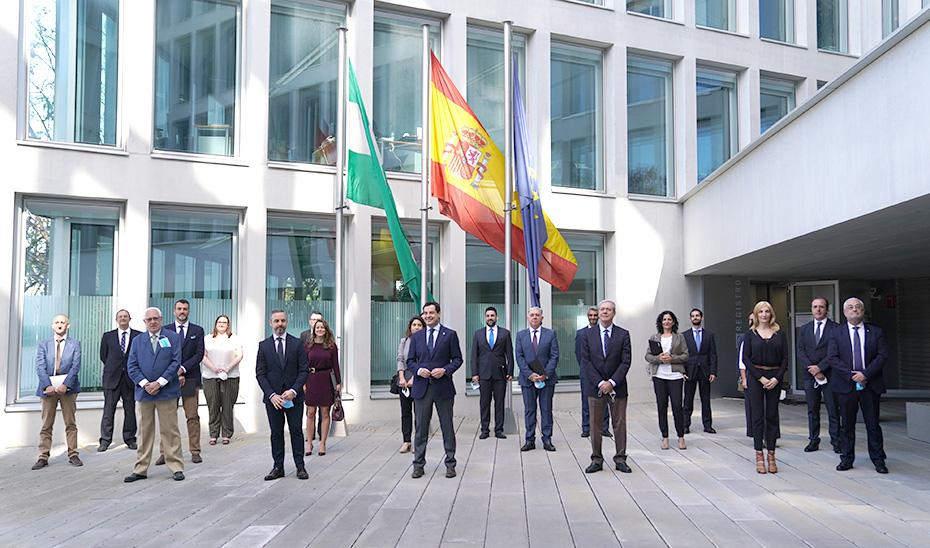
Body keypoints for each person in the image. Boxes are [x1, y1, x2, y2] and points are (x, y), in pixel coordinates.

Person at [826, 297, 889, 474]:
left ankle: (878, 460)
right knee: (847, 424)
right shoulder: (836, 332)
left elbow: (882, 356)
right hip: (846, 385)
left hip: (870, 384)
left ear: (863, 311)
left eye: (858, 307)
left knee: (873, 424)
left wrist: (865, 374)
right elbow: (832, 357)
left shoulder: (875, 332)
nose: (855, 310)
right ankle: (846, 459)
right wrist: (852, 375)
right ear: (845, 312)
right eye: (851, 308)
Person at [124, 307, 184, 482]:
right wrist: (145, 384)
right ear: (144, 322)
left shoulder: (172, 337)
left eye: (155, 318)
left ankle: (176, 467)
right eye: (149, 319)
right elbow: (131, 366)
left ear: (161, 319)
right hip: (144, 394)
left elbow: (175, 362)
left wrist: (160, 382)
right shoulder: (137, 341)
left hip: (167, 392)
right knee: (144, 433)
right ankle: (141, 469)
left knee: (170, 431)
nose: (152, 322)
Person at [406, 301, 463, 479]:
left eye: (431, 313)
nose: (428, 316)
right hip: (422, 387)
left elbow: (457, 359)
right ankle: (418, 464)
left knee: (447, 426)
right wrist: (418, 370)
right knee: (421, 428)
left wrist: (445, 370)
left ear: (439, 314)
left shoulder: (450, 335)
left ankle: (450, 463)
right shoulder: (417, 336)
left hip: (443, 387)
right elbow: (410, 361)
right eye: (425, 313)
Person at [256, 309, 310, 480]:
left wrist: (294, 390)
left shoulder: (297, 344)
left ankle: (300, 467)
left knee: (296, 430)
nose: (280, 324)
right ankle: (278, 467)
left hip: (294, 397)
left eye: (283, 321)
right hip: (274, 399)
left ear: (287, 322)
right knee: (276, 433)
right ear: (270, 323)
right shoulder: (263, 346)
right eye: (276, 321)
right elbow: (260, 374)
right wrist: (272, 395)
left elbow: (304, 370)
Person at [579, 300, 632, 474]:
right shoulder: (588, 335)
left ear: (614, 313)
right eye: (602, 309)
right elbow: (585, 361)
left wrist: (612, 382)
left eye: (608, 309)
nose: (604, 312)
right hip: (595, 388)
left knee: (619, 423)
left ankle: (620, 459)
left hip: (618, 387)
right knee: (595, 425)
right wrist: (601, 383)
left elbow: (626, 361)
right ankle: (596, 459)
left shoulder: (623, 334)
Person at [742, 301, 788, 474]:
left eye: (767, 311)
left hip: (775, 376)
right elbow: (746, 359)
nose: (764, 314)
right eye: (760, 311)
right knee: (757, 415)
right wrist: (760, 378)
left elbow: (785, 359)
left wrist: (777, 378)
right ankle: (759, 455)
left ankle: (771, 455)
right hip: (756, 377)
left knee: (772, 415)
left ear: (771, 314)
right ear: (756, 314)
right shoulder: (750, 335)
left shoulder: (779, 334)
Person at [157, 299, 205, 465]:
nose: (182, 311)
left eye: (185, 309)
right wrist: (174, 374)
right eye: (179, 309)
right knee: (167, 417)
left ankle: (195, 451)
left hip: (190, 378)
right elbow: (163, 355)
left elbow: (199, 355)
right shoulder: (165, 331)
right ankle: (164, 452)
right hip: (169, 380)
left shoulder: (197, 331)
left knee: (192, 417)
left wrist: (182, 369)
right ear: (174, 312)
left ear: (189, 311)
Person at [32, 314, 83, 470]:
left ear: (67, 325)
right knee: (47, 424)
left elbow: (76, 366)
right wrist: (47, 385)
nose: (59, 325)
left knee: (70, 423)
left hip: (68, 388)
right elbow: (40, 366)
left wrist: (66, 385)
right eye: (57, 323)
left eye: (62, 322)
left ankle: (73, 454)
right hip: (48, 389)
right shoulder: (43, 344)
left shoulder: (75, 344)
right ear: (52, 325)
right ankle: (43, 456)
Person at [797, 297, 841, 453]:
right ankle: (813, 440)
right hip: (810, 376)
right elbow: (800, 351)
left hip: (830, 374)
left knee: (833, 409)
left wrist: (820, 368)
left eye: (821, 307)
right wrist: (812, 369)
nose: (818, 309)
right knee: (812, 409)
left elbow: (835, 352)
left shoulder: (836, 328)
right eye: (815, 306)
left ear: (827, 309)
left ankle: (836, 441)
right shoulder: (805, 329)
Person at [515, 307, 559, 452]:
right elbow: (519, 357)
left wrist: (545, 374)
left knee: (546, 410)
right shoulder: (521, 335)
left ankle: (547, 439)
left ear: (542, 318)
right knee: (529, 410)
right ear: (528, 318)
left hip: (546, 379)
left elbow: (554, 356)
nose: (534, 317)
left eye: (537, 315)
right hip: (528, 380)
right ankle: (529, 440)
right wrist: (529, 374)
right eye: (532, 315)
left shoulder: (551, 334)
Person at [645, 311, 689, 451]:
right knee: (661, 406)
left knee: (677, 407)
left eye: (669, 319)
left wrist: (672, 358)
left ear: (673, 322)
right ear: (661, 322)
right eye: (664, 319)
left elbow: (686, 355)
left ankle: (681, 436)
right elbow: (647, 356)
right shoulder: (654, 337)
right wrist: (659, 359)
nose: (667, 322)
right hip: (659, 376)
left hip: (675, 376)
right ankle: (665, 437)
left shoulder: (679, 337)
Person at [98, 309, 141, 452]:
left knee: (130, 410)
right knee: (108, 411)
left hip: (130, 379)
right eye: (120, 317)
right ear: (116, 320)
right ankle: (105, 440)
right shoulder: (108, 336)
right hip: (112, 378)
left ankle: (130, 439)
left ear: (130, 319)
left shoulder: (138, 336)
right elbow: (104, 356)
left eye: (125, 316)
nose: (123, 318)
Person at [471, 306, 514, 440]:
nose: (490, 318)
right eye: (488, 316)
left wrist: (510, 371)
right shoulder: (478, 334)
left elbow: (509, 354)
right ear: (485, 318)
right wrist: (474, 373)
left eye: (492, 315)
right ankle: (484, 429)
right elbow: (474, 356)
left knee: (499, 402)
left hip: (500, 374)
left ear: (497, 317)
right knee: (484, 403)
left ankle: (499, 429)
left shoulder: (505, 334)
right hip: (483, 375)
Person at [201, 315, 243, 445]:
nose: (221, 324)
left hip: (230, 376)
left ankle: (226, 434)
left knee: (227, 406)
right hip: (210, 376)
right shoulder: (207, 339)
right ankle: (213, 434)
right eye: (219, 322)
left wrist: (228, 368)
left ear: (228, 325)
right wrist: (214, 368)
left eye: (224, 322)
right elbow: (202, 355)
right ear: (215, 324)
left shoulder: (234, 338)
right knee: (213, 405)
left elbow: (239, 355)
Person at [304, 319, 341, 456]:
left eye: (322, 327)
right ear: (314, 329)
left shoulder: (331, 346)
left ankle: (323, 443)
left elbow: (335, 365)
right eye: (317, 327)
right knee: (310, 413)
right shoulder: (308, 346)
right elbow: (303, 365)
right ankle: (309, 443)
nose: (319, 329)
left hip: (326, 380)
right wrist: (303, 382)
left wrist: (338, 382)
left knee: (325, 413)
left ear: (326, 330)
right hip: (311, 379)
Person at [682, 308, 718, 434]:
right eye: (693, 316)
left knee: (705, 399)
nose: (695, 318)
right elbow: (682, 355)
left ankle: (707, 425)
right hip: (689, 371)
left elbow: (713, 354)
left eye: (697, 316)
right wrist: (682, 372)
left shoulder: (709, 335)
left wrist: (713, 372)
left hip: (705, 371)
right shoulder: (684, 335)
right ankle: (685, 425)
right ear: (690, 319)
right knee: (688, 399)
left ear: (702, 318)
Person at [576, 306, 610, 438]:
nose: (593, 318)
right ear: (587, 316)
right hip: (586, 373)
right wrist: (587, 369)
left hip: (602, 373)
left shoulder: (603, 332)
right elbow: (579, 354)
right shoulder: (581, 333)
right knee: (586, 400)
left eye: (595, 315)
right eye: (590, 315)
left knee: (604, 400)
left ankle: (604, 427)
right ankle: (586, 428)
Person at [395, 315, 425, 453]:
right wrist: (402, 377)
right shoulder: (404, 341)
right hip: (404, 381)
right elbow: (400, 358)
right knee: (405, 412)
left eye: (419, 325)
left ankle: (418, 441)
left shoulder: (426, 341)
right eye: (414, 325)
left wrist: (415, 377)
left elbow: (423, 361)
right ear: (410, 327)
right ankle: (406, 441)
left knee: (419, 412)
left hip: (419, 379)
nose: (416, 327)